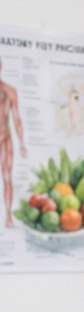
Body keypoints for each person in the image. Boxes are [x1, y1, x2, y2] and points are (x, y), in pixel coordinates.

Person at [0, 57, 28, 227]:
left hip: (4, 139)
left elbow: (17, 119)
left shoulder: (10, 91)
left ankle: (8, 216)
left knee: (7, 177)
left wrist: (22, 142)